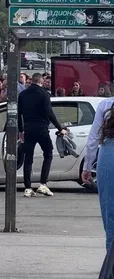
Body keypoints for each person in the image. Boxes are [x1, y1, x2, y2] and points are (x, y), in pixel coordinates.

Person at [18, 73, 68, 198]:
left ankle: (28, 188)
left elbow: (19, 114)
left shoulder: (22, 94)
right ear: (41, 81)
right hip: (42, 129)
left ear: (32, 81)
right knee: (48, 153)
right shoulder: (44, 94)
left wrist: (21, 130)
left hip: (28, 129)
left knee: (28, 158)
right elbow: (49, 113)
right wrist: (59, 128)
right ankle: (43, 184)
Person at [82, 97, 114, 253]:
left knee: (110, 212)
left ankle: (111, 261)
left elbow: (93, 139)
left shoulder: (106, 105)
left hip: (109, 155)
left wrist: (87, 166)